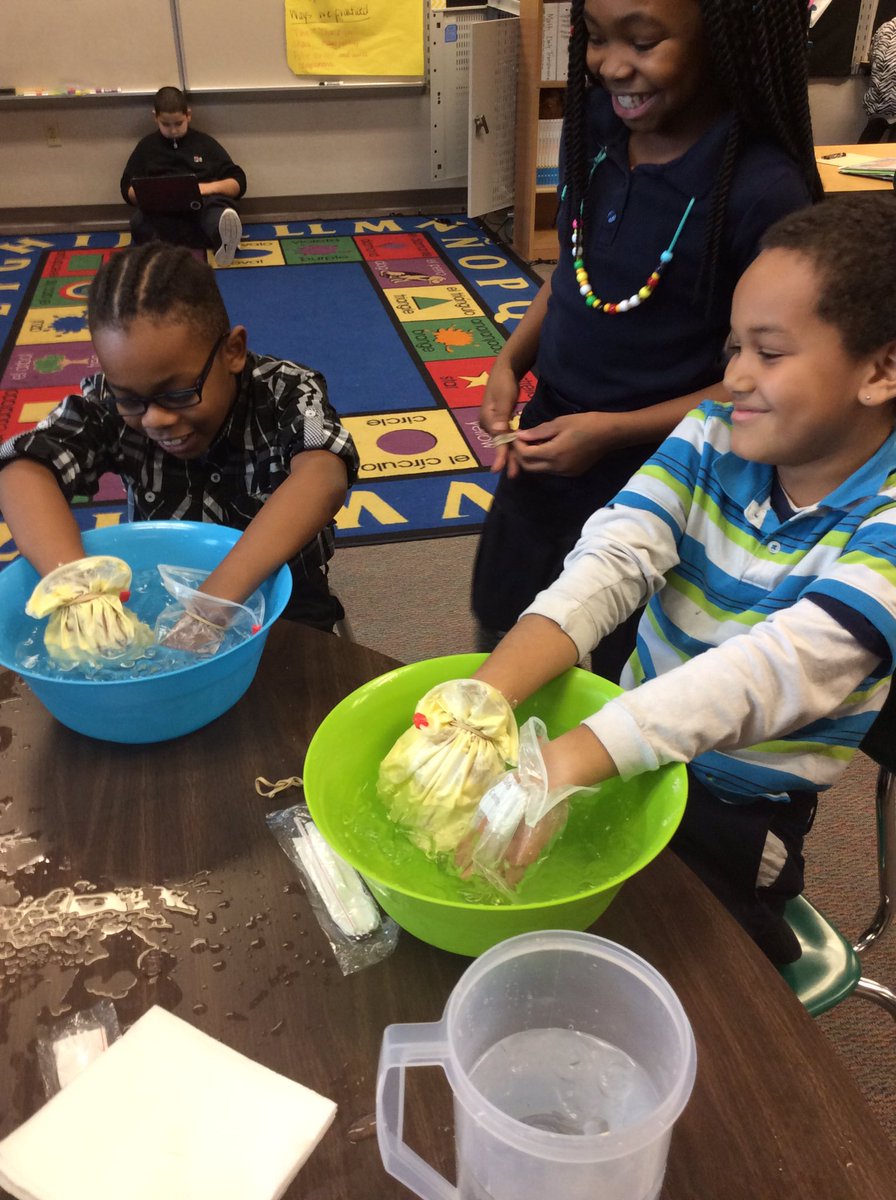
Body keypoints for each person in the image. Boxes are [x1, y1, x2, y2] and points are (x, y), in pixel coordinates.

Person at [463, 192, 896, 963]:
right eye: (731, 349)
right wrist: (485, 697)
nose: (733, 378)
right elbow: (615, 556)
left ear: (881, 368)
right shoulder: (713, 434)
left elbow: (771, 671)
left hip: (735, 813)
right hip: (621, 752)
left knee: (681, 970)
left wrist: (569, 759)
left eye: (768, 352)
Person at [473, 0, 823, 682]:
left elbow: (762, 378)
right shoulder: (598, 130)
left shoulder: (761, 189)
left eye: (642, 40)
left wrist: (610, 430)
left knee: (603, 664)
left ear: (723, 41)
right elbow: (575, 274)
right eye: (596, 39)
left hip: (658, 477)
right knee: (504, 622)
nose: (610, 65)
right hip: (549, 442)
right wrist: (510, 360)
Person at [0, 242, 359, 634]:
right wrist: (78, 586)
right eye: (131, 399)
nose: (156, 418)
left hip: (286, 600)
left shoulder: (286, 391)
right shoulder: (108, 403)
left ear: (232, 351)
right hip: (162, 596)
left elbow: (323, 476)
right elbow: (23, 469)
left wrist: (210, 605)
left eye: (178, 394)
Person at [120, 86, 246, 267]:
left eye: (178, 123)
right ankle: (160, 248)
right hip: (162, 209)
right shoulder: (147, 147)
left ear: (188, 115)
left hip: (202, 204)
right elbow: (126, 188)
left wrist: (205, 188)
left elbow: (238, 181)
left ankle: (224, 238)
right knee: (140, 222)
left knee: (215, 210)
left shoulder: (205, 143)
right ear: (155, 117)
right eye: (166, 124)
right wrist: (148, 193)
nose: (173, 131)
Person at [859, 17, 896, 143]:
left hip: (875, 104)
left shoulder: (885, 27)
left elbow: (871, 57)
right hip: (894, 104)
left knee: (862, 154)